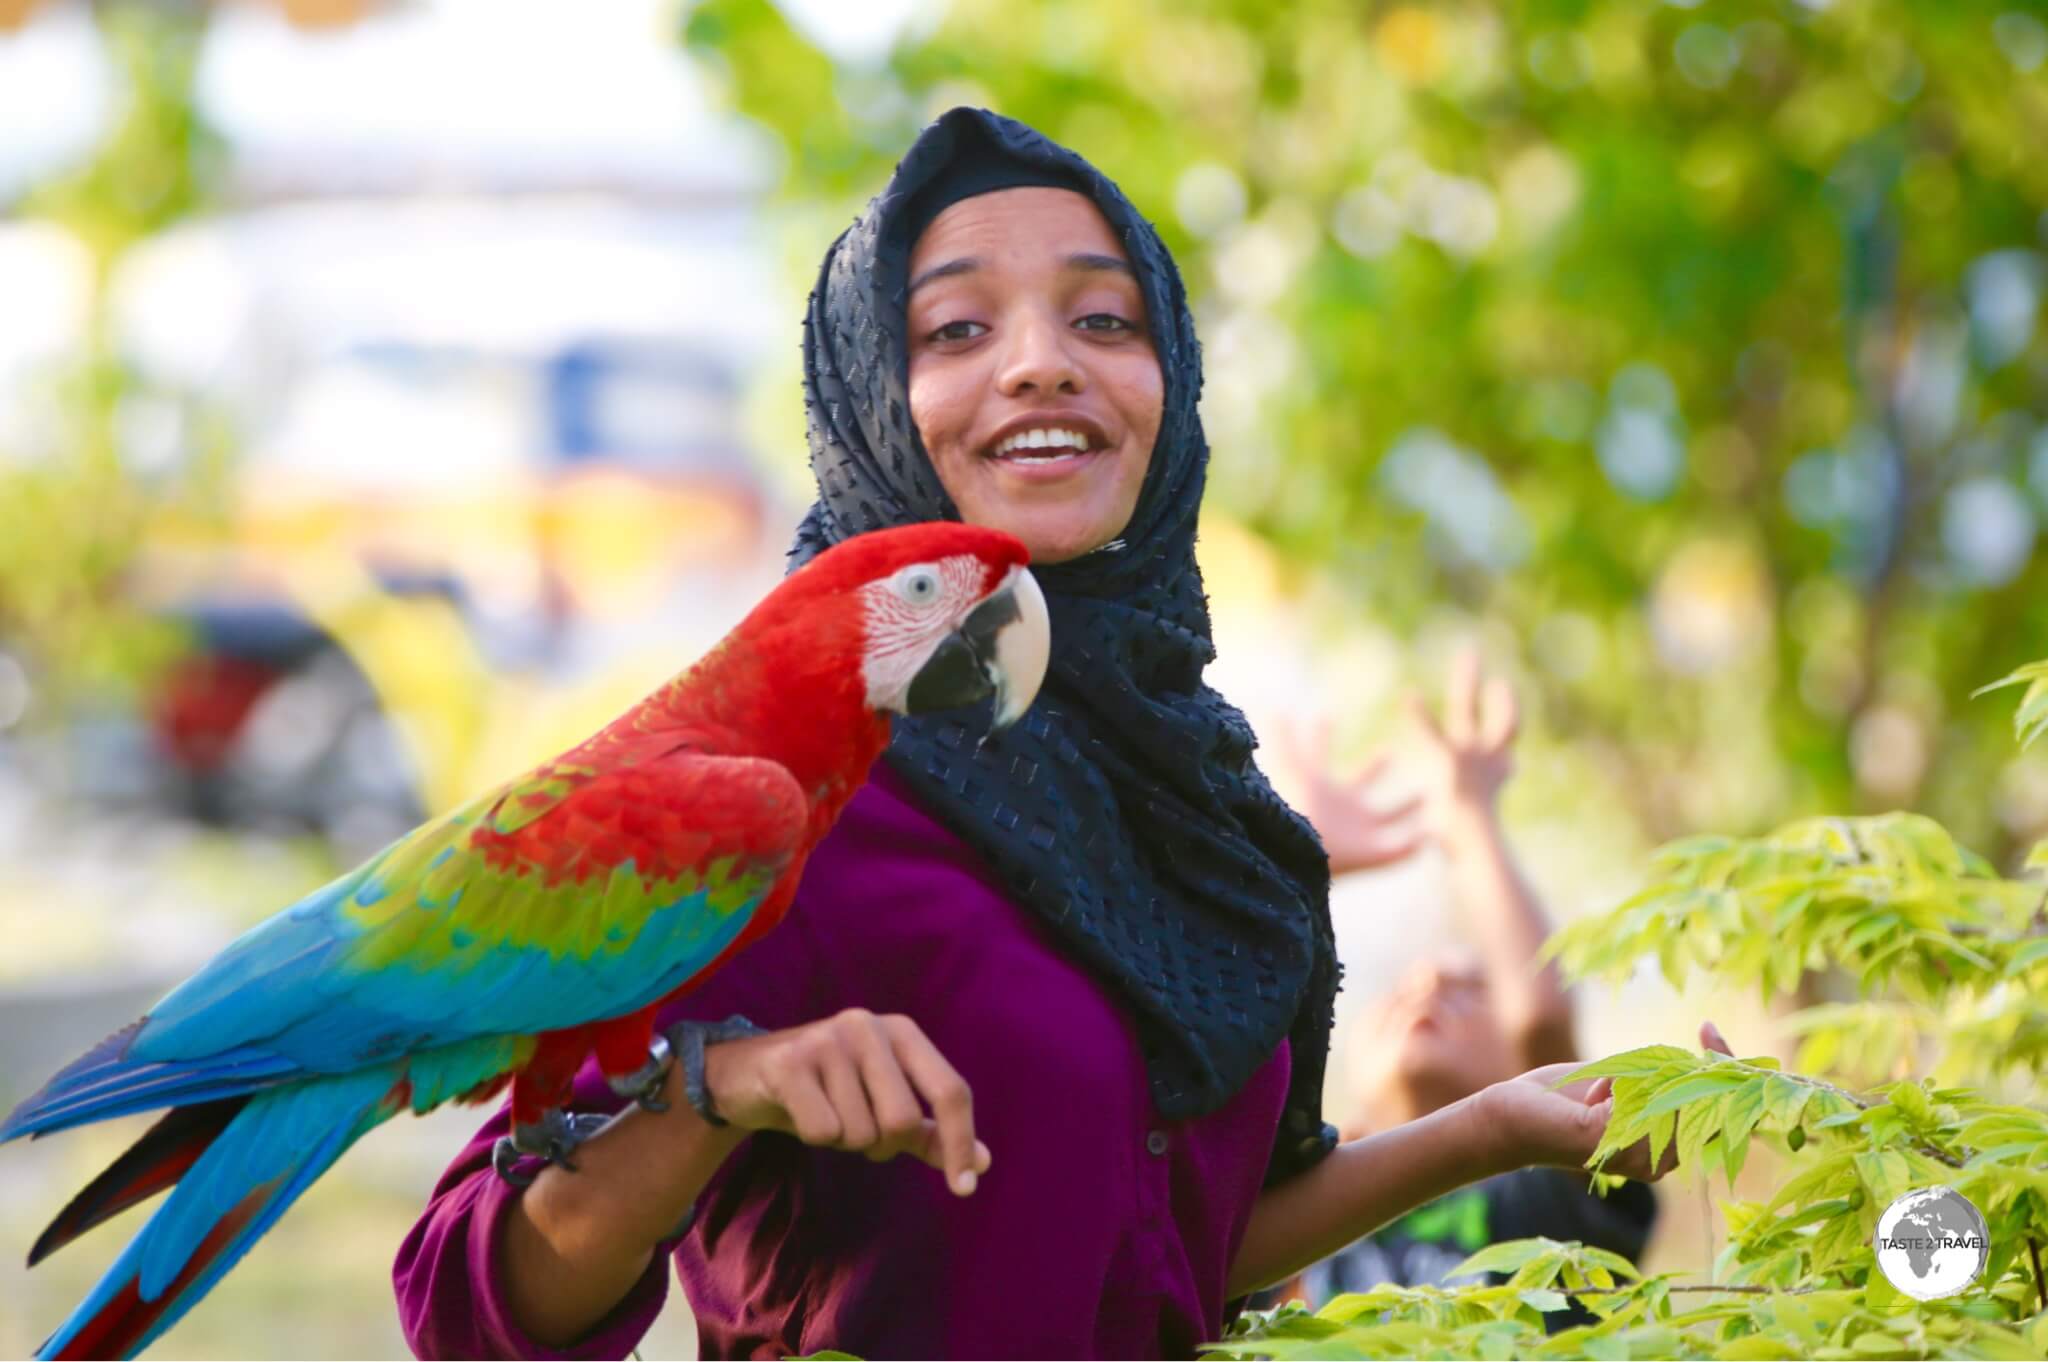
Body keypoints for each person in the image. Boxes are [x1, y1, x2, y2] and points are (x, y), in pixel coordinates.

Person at [394, 107, 1675, 1361]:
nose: (1041, 362)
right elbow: (464, 1304)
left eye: (1104, 318)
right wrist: (723, 1088)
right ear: (866, 403)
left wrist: (1496, 1127)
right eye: (956, 326)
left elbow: (1170, 1255)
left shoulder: (1206, 806)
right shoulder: (770, 797)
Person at [1258, 652, 1659, 1326]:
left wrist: (1470, 819)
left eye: (1471, 989)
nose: (1431, 985)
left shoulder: (1542, 1198)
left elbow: (1540, 1020)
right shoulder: (1297, 1213)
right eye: (1403, 989)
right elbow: (1241, 1045)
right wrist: (1294, 867)